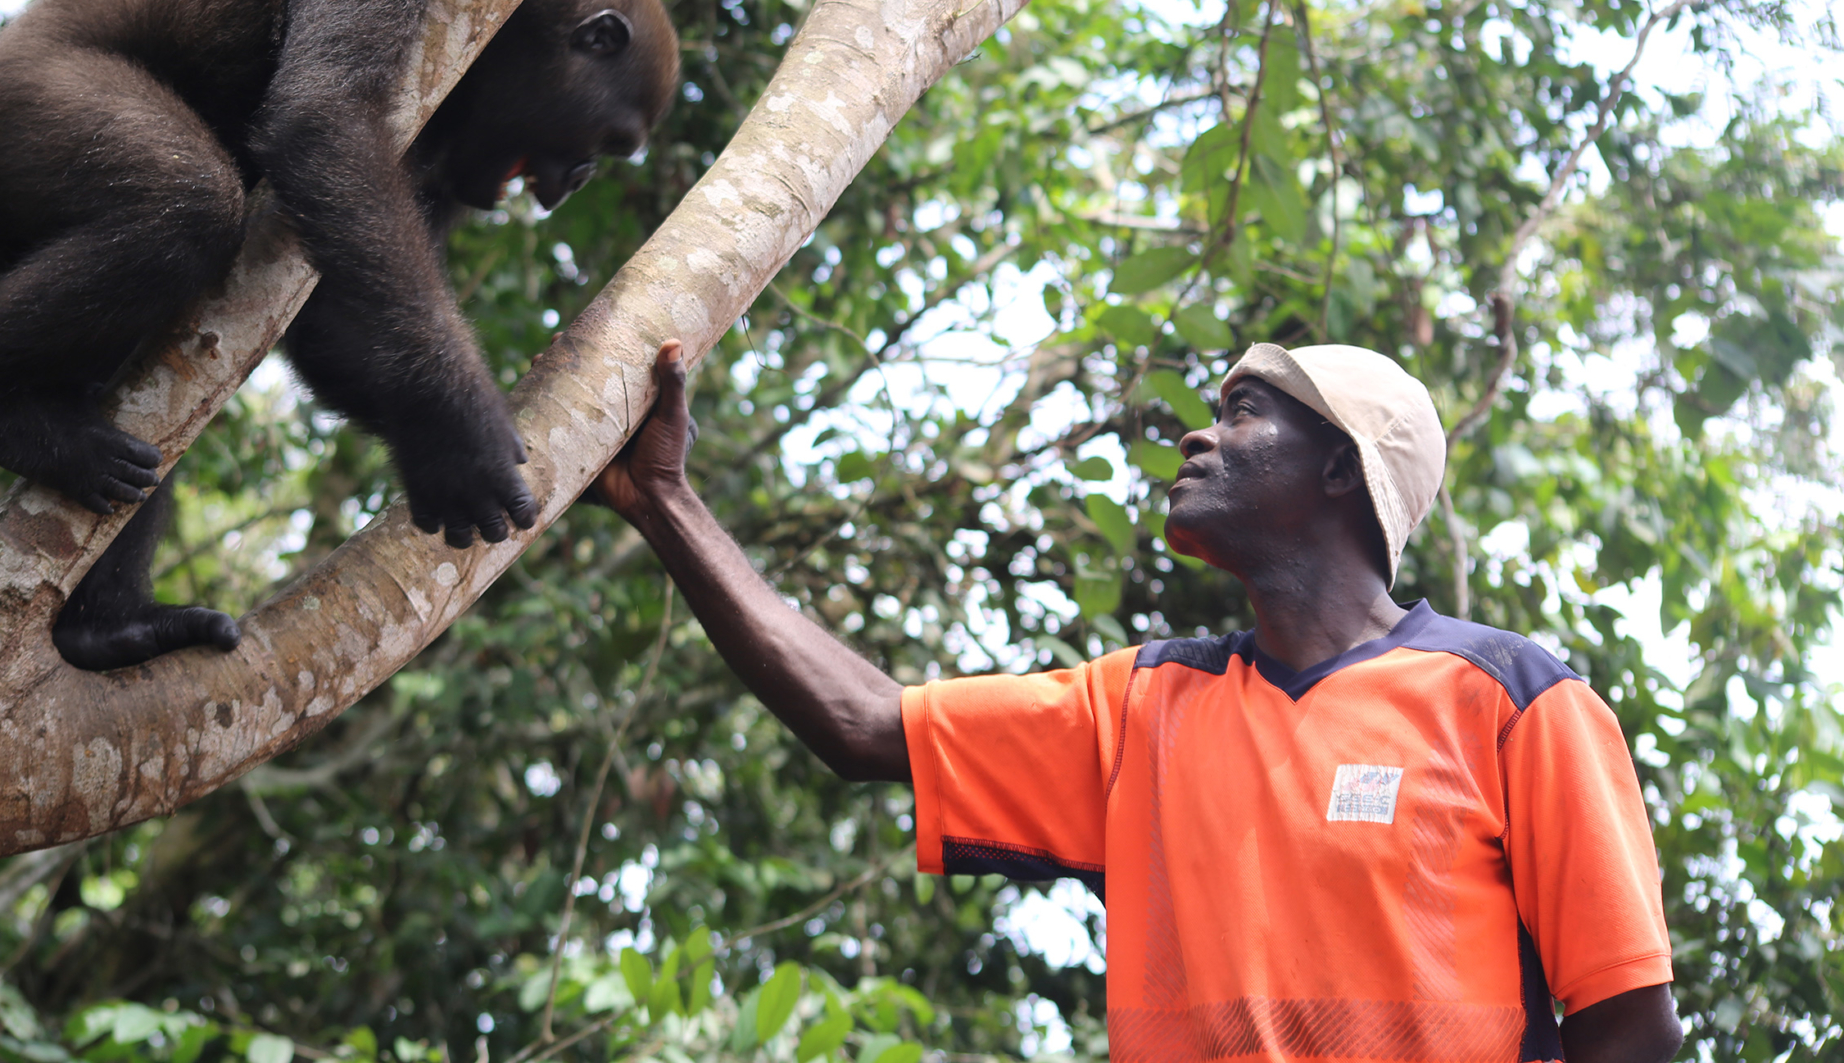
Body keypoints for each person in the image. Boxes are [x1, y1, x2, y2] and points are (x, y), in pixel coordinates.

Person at [592, 338, 1682, 1063]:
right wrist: (665, 502)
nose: (1194, 435)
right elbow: (863, 724)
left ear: (1343, 471)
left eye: (1242, 413)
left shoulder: (1512, 701)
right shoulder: (1148, 705)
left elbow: (1627, 1026)